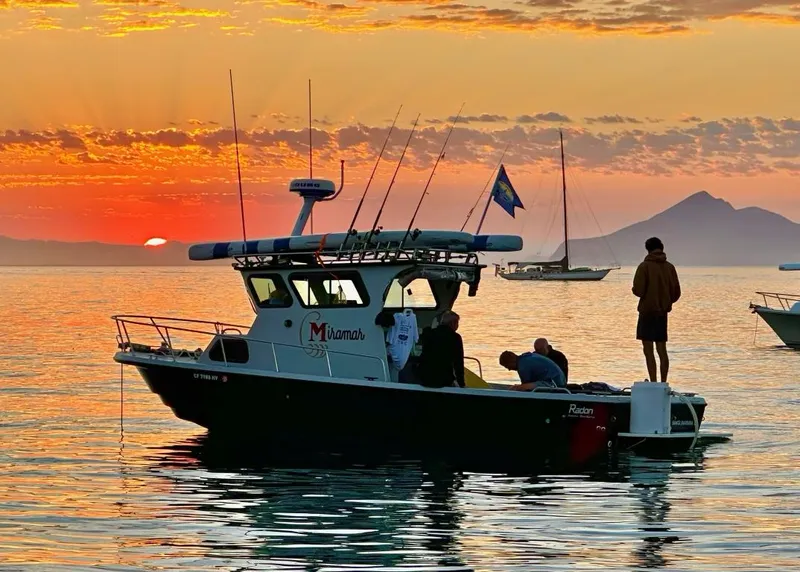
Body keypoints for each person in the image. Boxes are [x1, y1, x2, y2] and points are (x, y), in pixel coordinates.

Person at [632, 236, 681, 383]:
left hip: (647, 312)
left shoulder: (644, 266)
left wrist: (635, 289)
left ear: (648, 249)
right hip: (662, 313)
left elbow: (639, 291)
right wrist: (665, 301)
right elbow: (676, 293)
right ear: (661, 248)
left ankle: (653, 381)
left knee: (648, 350)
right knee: (662, 350)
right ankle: (664, 381)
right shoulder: (670, 267)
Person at [416, 310, 465, 388]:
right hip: (443, 380)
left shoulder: (429, 333)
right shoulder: (455, 337)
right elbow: (458, 363)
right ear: (453, 323)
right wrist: (462, 384)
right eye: (457, 323)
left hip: (424, 378)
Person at [499, 350, 565, 391]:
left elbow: (525, 387)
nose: (509, 369)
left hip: (554, 384)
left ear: (511, 362)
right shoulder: (526, 358)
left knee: (519, 388)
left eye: (507, 366)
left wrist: (516, 388)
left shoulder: (522, 366)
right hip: (559, 380)